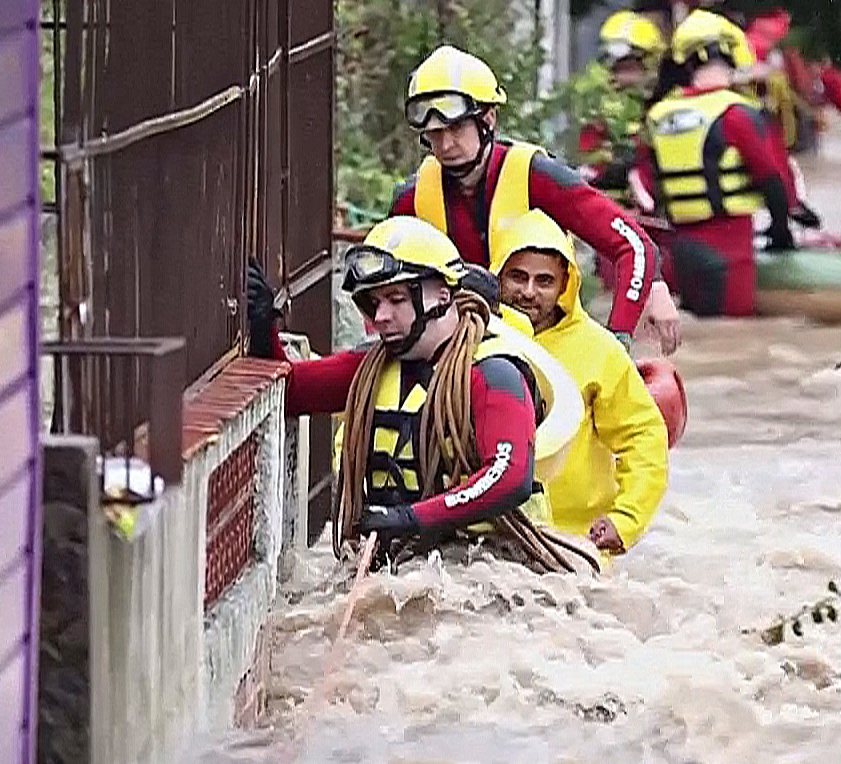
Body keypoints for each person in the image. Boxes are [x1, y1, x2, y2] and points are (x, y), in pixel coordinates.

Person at [244, 216, 596, 574]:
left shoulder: (494, 374)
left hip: (490, 565)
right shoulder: (371, 367)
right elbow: (293, 392)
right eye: (373, 302)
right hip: (397, 563)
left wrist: (410, 519)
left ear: (442, 294)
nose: (381, 316)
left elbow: (510, 476)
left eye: (396, 299)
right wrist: (262, 331)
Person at [388, 44, 683, 354]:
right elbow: (381, 289)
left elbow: (634, 246)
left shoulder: (538, 177)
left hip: (547, 351)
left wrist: (619, 337)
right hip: (454, 353)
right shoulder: (412, 197)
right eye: (434, 133)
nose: (445, 144)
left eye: (457, 128)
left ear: (488, 118)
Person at [494, 210, 670, 556]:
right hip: (488, 533)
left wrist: (626, 519)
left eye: (543, 281)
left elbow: (644, 438)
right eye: (517, 277)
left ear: (565, 284)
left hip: (575, 541)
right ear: (497, 276)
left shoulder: (599, 350)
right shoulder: (471, 338)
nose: (528, 292)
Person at [633, 9, 801, 317]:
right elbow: (771, 179)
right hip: (729, 251)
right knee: (732, 335)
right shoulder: (737, 113)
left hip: (679, 251)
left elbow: (645, 180)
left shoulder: (658, 115)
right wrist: (781, 230)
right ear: (730, 53)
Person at [576, 11, 666, 215]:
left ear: (649, 66)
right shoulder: (597, 108)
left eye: (629, 68)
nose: (621, 76)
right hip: (608, 209)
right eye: (617, 68)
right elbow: (591, 162)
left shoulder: (664, 107)